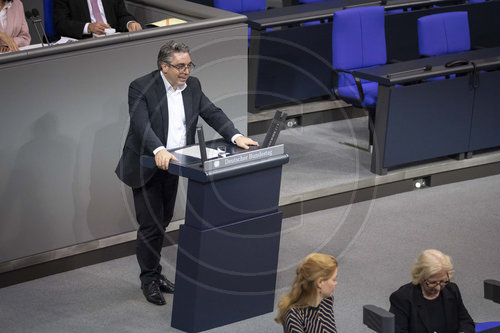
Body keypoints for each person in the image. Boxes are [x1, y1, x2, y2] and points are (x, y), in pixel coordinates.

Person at [115, 40, 258, 306]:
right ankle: (149, 280)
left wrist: (236, 135)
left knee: (164, 219)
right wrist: (158, 149)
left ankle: (155, 274)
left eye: (189, 65)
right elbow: (140, 125)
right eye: (180, 66)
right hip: (147, 163)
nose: (186, 71)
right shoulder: (141, 87)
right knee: (151, 225)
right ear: (164, 66)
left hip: (175, 164)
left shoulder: (193, 86)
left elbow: (211, 112)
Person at [390, 249, 475, 333]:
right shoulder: (402, 298)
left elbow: (466, 322)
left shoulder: (451, 290)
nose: (438, 288)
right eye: (432, 282)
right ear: (420, 277)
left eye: (443, 281)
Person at [276, 253, 338, 333]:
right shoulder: (294, 316)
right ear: (320, 282)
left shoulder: (327, 300)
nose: (336, 283)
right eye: (334, 279)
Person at [53, 0, 142, 39]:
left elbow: (122, 15)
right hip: (86, 44)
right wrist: (88, 27)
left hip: (114, 40)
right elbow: (61, 24)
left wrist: (130, 23)